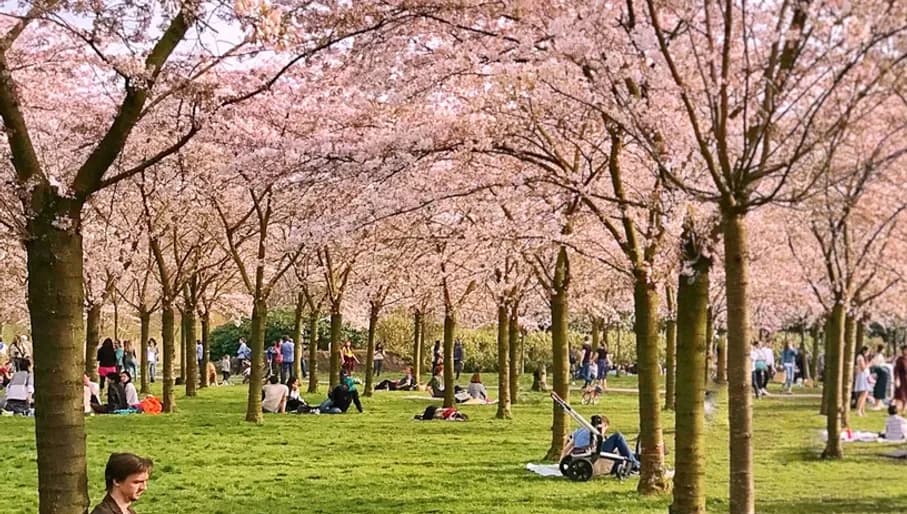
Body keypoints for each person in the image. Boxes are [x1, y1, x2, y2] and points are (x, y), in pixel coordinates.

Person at [564, 414, 639, 471]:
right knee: (618, 437)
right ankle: (636, 465)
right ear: (605, 425)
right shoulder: (597, 431)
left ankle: (636, 460)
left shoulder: (580, 430)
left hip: (580, 453)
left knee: (630, 454)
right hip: (591, 454)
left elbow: (569, 447)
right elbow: (598, 443)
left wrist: (564, 459)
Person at [870, 344, 890, 409]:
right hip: (880, 372)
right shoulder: (878, 355)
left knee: (880, 388)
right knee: (879, 388)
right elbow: (876, 364)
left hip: (882, 372)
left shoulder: (879, 355)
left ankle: (878, 404)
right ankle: (877, 404)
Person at [853, 345, 871, 417]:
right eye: (868, 351)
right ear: (864, 351)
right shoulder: (860, 357)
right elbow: (863, 368)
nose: (868, 353)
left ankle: (862, 410)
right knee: (863, 394)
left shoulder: (863, 357)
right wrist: (870, 364)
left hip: (865, 376)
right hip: (862, 376)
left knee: (865, 394)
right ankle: (858, 410)